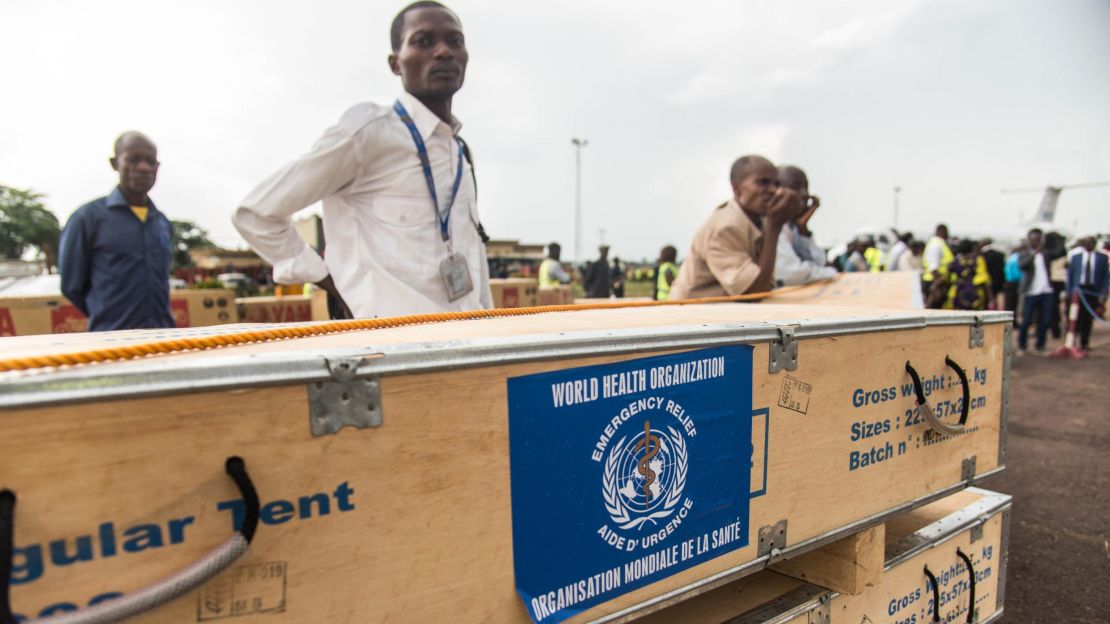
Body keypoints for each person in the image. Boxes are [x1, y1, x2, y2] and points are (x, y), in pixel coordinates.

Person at [233, 1, 491, 319]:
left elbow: (473, 254)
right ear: (395, 63)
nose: (443, 52)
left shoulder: (458, 151)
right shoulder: (367, 133)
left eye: (455, 41)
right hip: (392, 347)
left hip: (467, 338)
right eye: (423, 41)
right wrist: (329, 281)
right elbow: (256, 213)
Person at [58, 132, 176, 331]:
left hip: (162, 341)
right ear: (115, 163)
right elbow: (72, 286)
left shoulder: (161, 223)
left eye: (150, 162)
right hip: (112, 341)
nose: (143, 167)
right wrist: (107, 316)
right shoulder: (87, 218)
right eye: (133, 159)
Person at [668, 155, 802, 300]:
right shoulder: (726, 227)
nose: (772, 190)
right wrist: (774, 228)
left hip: (723, 310)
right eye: (763, 182)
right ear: (736, 188)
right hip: (693, 312)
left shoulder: (758, 219)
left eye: (776, 184)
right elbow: (753, 292)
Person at [772, 165, 836, 286]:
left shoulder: (791, 226)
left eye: (806, 187)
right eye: (796, 187)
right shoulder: (772, 224)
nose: (805, 194)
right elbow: (794, 273)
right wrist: (830, 273)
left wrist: (803, 229)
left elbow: (819, 262)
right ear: (777, 190)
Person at [1018, 228, 1061, 355]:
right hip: (1031, 292)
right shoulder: (1024, 253)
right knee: (1026, 321)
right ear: (1029, 240)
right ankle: (1022, 346)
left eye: (1039, 238)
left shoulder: (1046, 254)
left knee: (1045, 320)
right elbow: (1023, 265)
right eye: (1034, 238)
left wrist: (1056, 237)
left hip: (1046, 291)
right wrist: (1034, 252)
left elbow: (1059, 252)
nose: (1037, 241)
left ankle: (1040, 346)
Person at [1066, 237, 1109, 351]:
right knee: (1075, 316)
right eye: (1087, 243)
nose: (1089, 245)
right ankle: (1072, 341)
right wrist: (1069, 292)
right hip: (1078, 291)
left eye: (1092, 243)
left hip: (1093, 291)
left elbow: (1105, 277)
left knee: (1088, 318)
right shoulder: (1076, 258)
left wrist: (1104, 294)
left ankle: (1084, 343)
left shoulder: (1102, 258)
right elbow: (1070, 276)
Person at [943, 240, 991, 311]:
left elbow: (948, 274)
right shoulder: (978, 259)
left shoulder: (956, 260)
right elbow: (983, 279)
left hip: (957, 291)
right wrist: (990, 298)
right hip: (975, 292)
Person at [922, 224, 953, 298]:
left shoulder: (938, 243)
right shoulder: (936, 245)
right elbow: (933, 268)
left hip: (938, 281)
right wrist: (937, 287)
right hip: (934, 282)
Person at [980, 239, 1005, 310]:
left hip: (986, 283)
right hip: (997, 282)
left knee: (986, 302)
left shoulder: (982, 255)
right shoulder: (1000, 255)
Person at [1003, 245, 1023, 327]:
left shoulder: (1010, 258)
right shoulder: (1017, 258)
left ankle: (1009, 322)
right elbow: (1017, 274)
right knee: (1013, 304)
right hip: (1015, 282)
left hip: (1008, 282)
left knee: (1009, 304)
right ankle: (1012, 322)